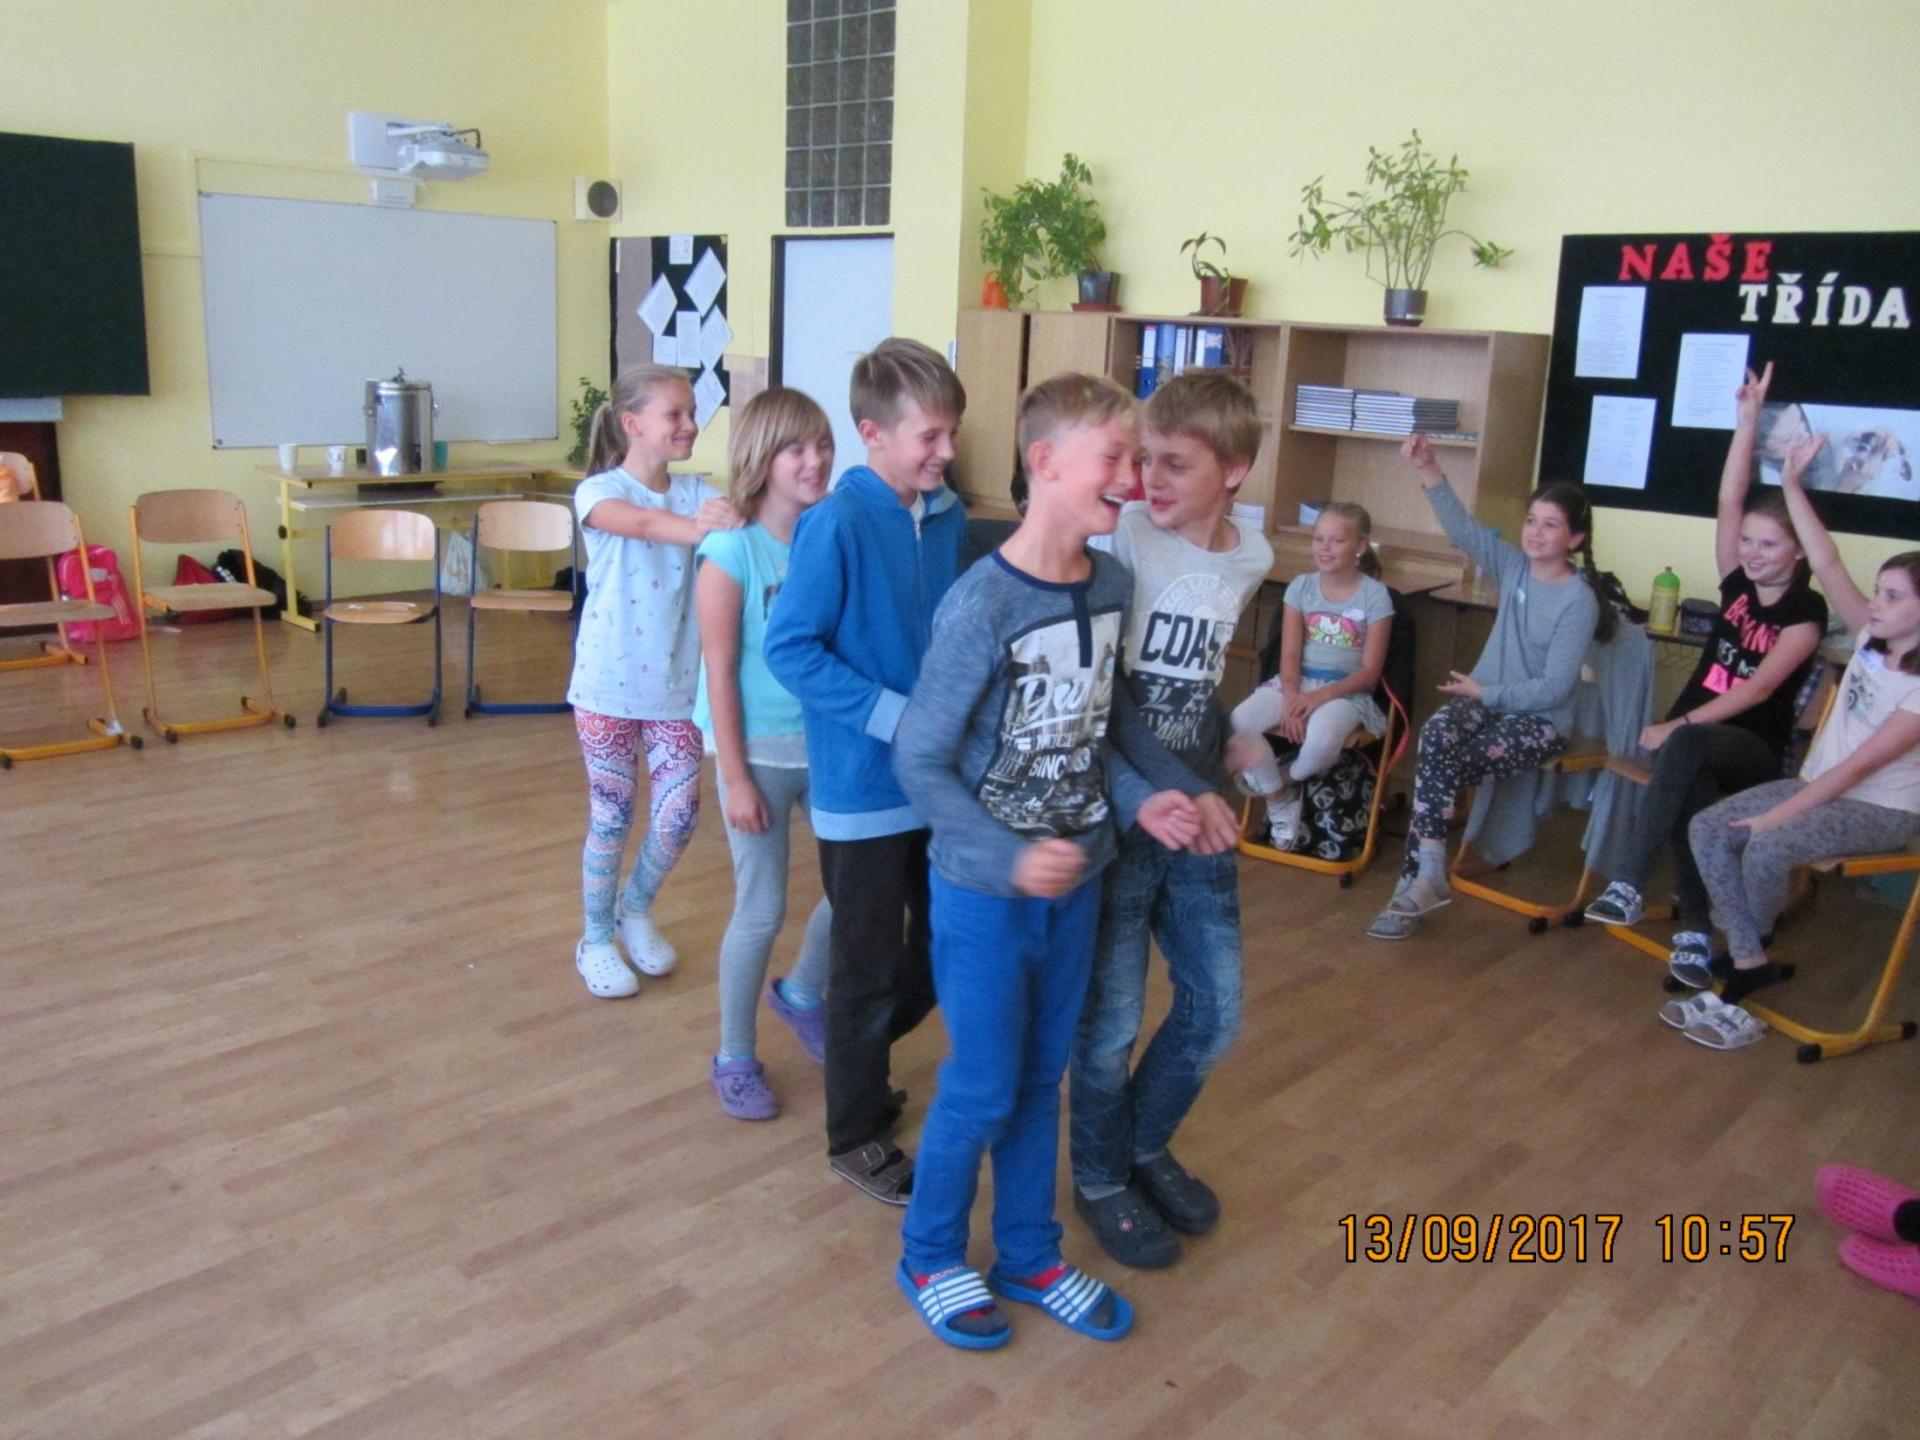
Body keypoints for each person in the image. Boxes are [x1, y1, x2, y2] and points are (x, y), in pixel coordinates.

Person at [891, 371, 1235, 1350]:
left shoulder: (1111, 584)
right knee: (982, 1086)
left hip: (1077, 884)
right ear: (1044, 462)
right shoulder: (984, 603)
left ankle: (1029, 1253)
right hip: (983, 896)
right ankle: (930, 1253)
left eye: (1139, 458)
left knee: (1044, 1077)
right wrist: (1006, 858)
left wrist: (1157, 795)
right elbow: (919, 756)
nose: (1132, 476)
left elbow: (1106, 722)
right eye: (1114, 457)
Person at [1068, 370, 1270, 1270]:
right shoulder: (1122, 542)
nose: (1150, 478)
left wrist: (1229, 734)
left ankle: (1142, 1146)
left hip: (1200, 815)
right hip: (1126, 822)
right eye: (1145, 459)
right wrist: (1176, 786)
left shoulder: (1251, 556)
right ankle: (1100, 1177)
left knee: (1216, 1012)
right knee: (1109, 1028)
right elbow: (1110, 702)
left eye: (1175, 464)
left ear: (1234, 470)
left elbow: (1194, 679)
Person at [763, 337, 968, 1204]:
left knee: (945, 949)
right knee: (867, 967)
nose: (946, 452)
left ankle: (858, 1054)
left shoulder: (946, 516)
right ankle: (854, 1132)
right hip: (862, 793)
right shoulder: (837, 523)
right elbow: (789, 648)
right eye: (930, 436)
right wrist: (892, 714)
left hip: (936, 784)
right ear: (873, 433)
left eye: (952, 433)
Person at [1671, 434, 1920, 1045]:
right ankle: (1749, 959)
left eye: (1892, 597)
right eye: (1878, 591)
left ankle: (1741, 965)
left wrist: (1773, 817)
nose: (1875, 603)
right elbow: (1826, 561)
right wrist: (1789, 483)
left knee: (1766, 844)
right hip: (1819, 787)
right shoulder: (1871, 637)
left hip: (1881, 810)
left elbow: (1855, 771)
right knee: (1709, 828)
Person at [1583, 364, 1827, 979]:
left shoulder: (1806, 610)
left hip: (1751, 748)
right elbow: (1728, 501)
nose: (1752, 553)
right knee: (1690, 794)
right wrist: (1747, 424)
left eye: (1769, 545)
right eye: (1748, 541)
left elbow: (1761, 688)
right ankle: (1694, 933)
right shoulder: (1737, 584)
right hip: (1693, 740)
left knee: (1684, 747)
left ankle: (1630, 879)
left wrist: (1677, 725)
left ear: (1800, 550)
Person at [1367, 434, 1606, 941]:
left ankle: (1414, 886)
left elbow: (1555, 688)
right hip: (1486, 698)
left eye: (1551, 525)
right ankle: (1427, 876)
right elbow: (1463, 530)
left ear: (1576, 539)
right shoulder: (1514, 566)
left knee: (1441, 764)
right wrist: (1428, 467)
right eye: (1531, 521)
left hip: (1540, 720)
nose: (1536, 533)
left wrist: (1487, 693)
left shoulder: (1579, 601)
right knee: (1437, 735)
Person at [568, 364, 741, 999]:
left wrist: (732, 517)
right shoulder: (598, 492)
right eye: (675, 413)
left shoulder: (699, 493)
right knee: (611, 816)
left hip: (676, 689)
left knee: (679, 815)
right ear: (632, 424)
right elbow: (641, 525)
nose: (691, 424)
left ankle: (634, 908)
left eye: (693, 411)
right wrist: (703, 528)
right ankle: (594, 939)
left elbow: (738, 531)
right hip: (606, 688)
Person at [692, 387, 836, 1118]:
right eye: (795, 448)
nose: (815, 461)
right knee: (761, 909)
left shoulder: (827, 536)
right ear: (761, 458)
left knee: (859, 891)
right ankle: (734, 1056)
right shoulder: (731, 550)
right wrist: (736, 776)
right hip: (756, 753)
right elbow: (718, 670)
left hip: (826, 747)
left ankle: (804, 992)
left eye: (822, 444)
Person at [1227, 501, 1392, 851]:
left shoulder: (1375, 596)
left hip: (1345, 692)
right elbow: (1288, 654)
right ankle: (1277, 798)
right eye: (1319, 539)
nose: (1324, 548)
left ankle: (1285, 776)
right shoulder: (1301, 587)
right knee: (1238, 723)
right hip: (1295, 683)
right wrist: (1292, 699)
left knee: (1320, 740)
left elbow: (1369, 673)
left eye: (1336, 540)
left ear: (1360, 546)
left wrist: (1318, 698)